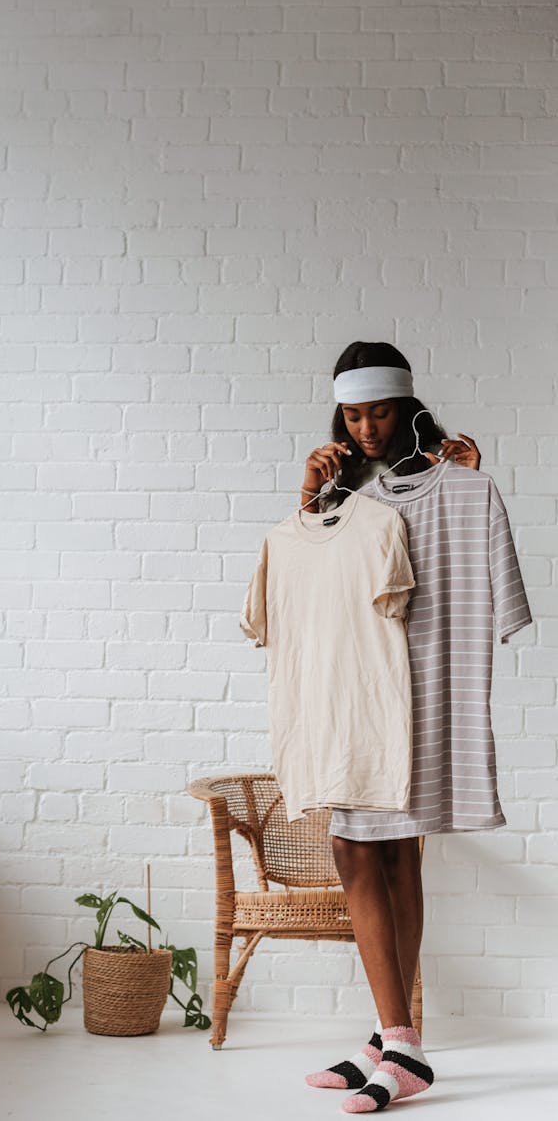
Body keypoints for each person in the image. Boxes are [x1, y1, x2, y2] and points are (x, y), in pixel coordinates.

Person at [301, 340, 482, 1114]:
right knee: (369, 849)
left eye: (380, 411)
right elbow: (310, 579)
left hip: (410, 683)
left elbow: (467, 576)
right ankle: (390, 1038)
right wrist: (308, 496)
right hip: (350, 685)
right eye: (354, 413)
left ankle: (398, 1043)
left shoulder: (443, 475)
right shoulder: (339, 487)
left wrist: (468, 488)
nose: (367, 427)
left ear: (406, 407)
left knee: (384, 850)